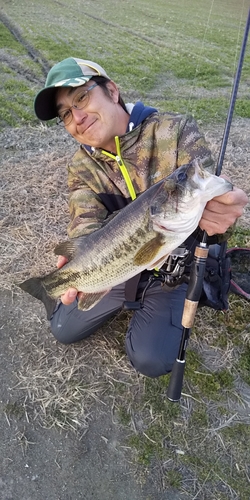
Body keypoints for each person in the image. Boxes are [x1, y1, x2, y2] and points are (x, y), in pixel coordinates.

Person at [34, 57, 248, 378]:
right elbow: (85, 223)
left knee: (150, 358)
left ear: (112, 91)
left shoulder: (174, 130)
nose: (77, 116)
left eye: (82, 97)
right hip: (118, 265)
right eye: (65, 113)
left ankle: (153, 300)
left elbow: (204, 182)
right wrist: (85, 261)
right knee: (64, 328)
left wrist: (221, 204)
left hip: (175, 267)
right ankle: (110, 288)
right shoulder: (81, 167)